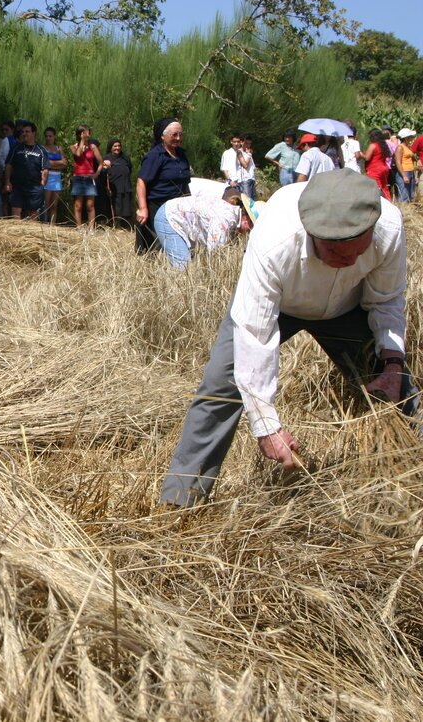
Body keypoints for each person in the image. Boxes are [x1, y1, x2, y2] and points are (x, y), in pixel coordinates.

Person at [159, 170, 417, 508]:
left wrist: (392, 360)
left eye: (358, 250)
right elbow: (255, 331)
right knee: (219, 388)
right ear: (311, 233)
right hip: (278, 305)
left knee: (399, 390)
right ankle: (181, 502)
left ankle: (411, 487)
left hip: (348, 307)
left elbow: (385, 300)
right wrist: (265, 424)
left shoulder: (389, 226)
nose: (349, 261)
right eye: (338, 253)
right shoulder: (275, 240)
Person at [152, 186, 254, 269]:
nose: (250, 232)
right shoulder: (225, 220)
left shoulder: (232, 217)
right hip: (169, 218)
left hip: (176, 217)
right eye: (252, 226)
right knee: (182, 267)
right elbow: (215, 256)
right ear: (246, 219)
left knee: (188, 264)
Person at [135, 117, 191, 254]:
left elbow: (185, 182)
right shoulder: (155, 156)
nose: (178, 138)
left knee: (178, 241)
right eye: (174, 135)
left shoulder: (182, 155)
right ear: (162, 136)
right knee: (156, 245)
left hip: (178, 206)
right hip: (157, 205)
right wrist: (142, 208)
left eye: (180, 134)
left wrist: (190, 202)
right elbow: (141, 182)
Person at [4, 122, 50, 221]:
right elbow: (8, 165)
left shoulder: (41, 150)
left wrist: (42, 183)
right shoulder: (16, 148)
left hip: (34, 188)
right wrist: (7, 181)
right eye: (23, 131)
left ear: (34, 133)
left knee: (33, 215)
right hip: (17, 187)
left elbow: (45, 169)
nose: (24, 133)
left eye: (27, 131)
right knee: (15, 212)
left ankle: (32, 235)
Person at [70, 125, 102, 229]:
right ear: (80, 134)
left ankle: (91, 228)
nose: (87, 134)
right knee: (78, 205)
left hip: (89, 178)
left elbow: (101, 162)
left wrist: (96, 174)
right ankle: (79, 228)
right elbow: (78, 154)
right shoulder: (73, 146)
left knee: (90, 205)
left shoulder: (93, 147)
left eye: (88, 132)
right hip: (78, 177)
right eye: (85, 132)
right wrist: (82, 142)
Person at [41, 127, 66, 224]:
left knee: (54, 205)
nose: (48, 138)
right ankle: (44, 224)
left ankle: (53, 225)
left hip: (57, 177)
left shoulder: (59, 148)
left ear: (54, 137)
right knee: (46, 204)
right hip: (47, 176)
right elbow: (45, 163)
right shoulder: (43, 148)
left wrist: (52, 163)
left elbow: (65, 163)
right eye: (46, 136)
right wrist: (58, 163)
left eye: (50, 136)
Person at [220, 132, 254, 197]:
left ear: (240, 142)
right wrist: (230, 181)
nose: (236, 144)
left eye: (238, 142)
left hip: (241, 182)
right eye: (234, 142)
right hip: (232, 182)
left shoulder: (242, 152)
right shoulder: (227, 153)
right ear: (231, 142)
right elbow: (225, 169)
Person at [362, 129, 391, 199]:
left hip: (375, 170)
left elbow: (367, 158)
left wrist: (360, 154)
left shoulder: (373, 145)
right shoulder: (383, 145)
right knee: (385, 188)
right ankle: (389, 203)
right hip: (384, 168)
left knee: (375, 188)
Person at [393, 128, 417, 203]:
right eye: (410, 136)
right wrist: (404, 175)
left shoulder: (407, 147)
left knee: (411, 195)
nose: (412, 138)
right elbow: (398, 162)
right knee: (404, 195)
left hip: (410, 172)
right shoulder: (400, 147)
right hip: (404, 172)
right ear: (406, 138)